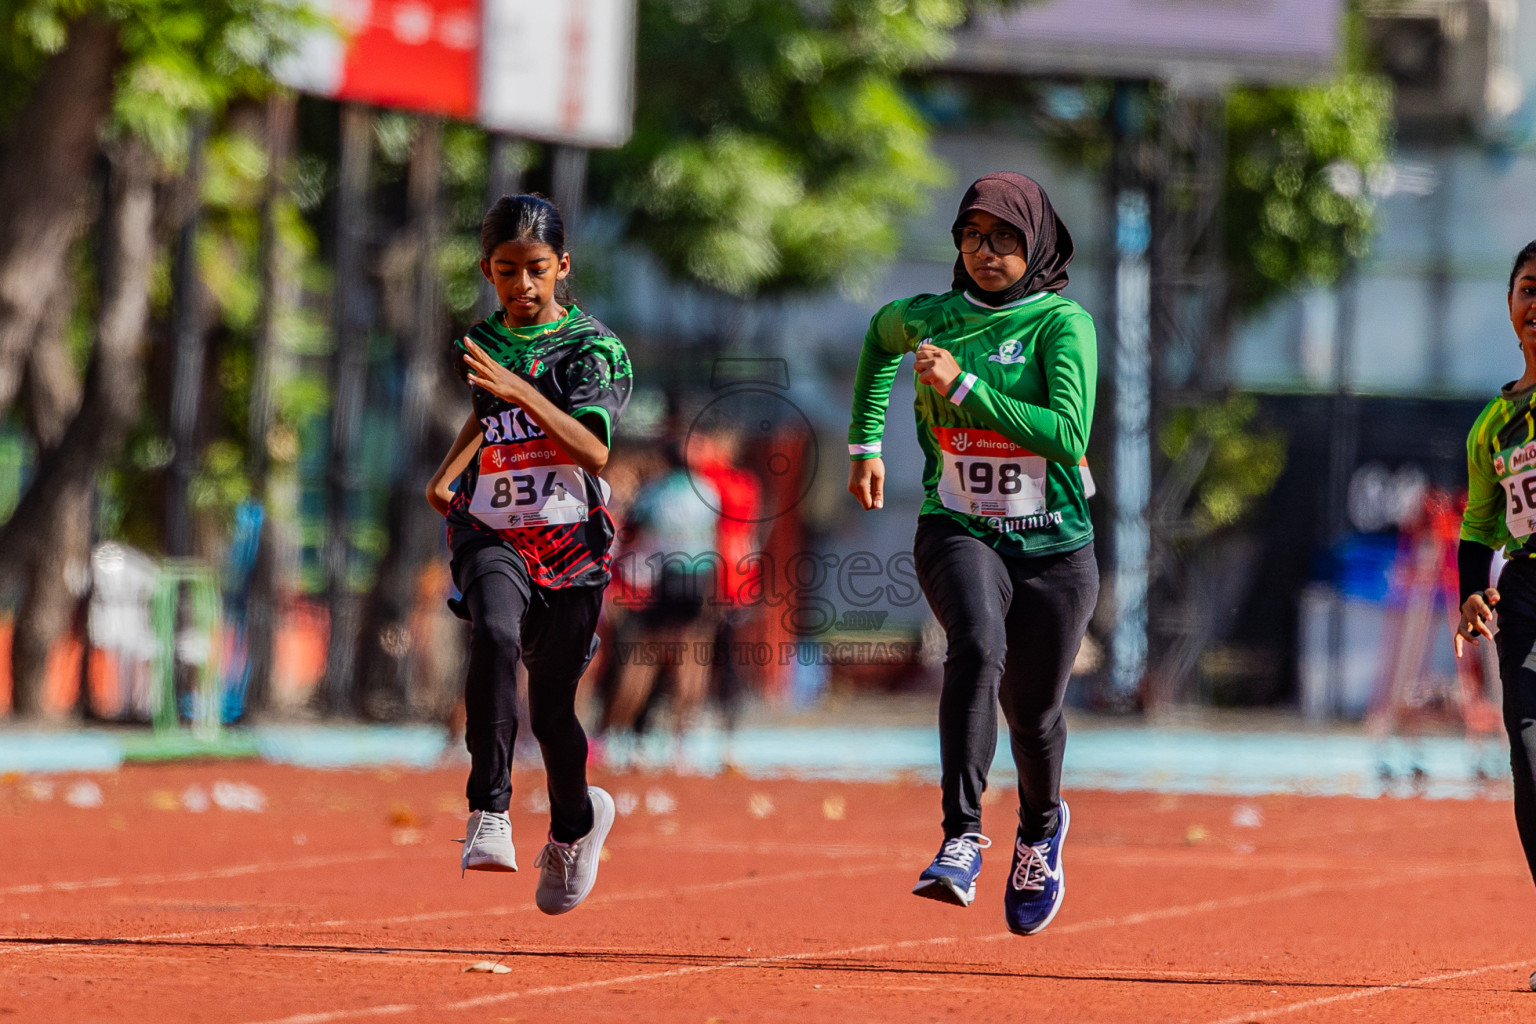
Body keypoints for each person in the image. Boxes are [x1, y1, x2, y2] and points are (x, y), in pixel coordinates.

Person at [847, 172, 1099, 936]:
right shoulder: (929, 318)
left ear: (1037, 242)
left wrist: (964, 390)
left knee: (1035, 713)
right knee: (975, 645)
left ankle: (1040, 829)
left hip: (1054, 545)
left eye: (1005, 238)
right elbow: (877, 339)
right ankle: (961, 837)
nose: (985, 251)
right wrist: (864, 440)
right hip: (958, 526)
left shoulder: (1063, 325)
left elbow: (1066, 435)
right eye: (972, 235)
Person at [425, 193, 631, 915]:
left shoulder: (594, 350)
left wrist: (521, 388)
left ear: (562, 266)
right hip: (491, 527)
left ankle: (576, 826)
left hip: (571, 541)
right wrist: (448, 475)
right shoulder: (478, 343)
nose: (522, 286)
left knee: (551, 710)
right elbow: (490, 417)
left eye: (537, 270)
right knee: (496, 631)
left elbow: (594, 449)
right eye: (506, 272)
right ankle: (490, 810)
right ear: (487, 270)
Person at [1454, 239, 1536, 989]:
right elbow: (1480, 525)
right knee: (1530, 759)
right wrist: (1469, 593)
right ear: (1512, 307)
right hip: (1528, 598)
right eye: (1529, 289)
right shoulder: (1492, 425)